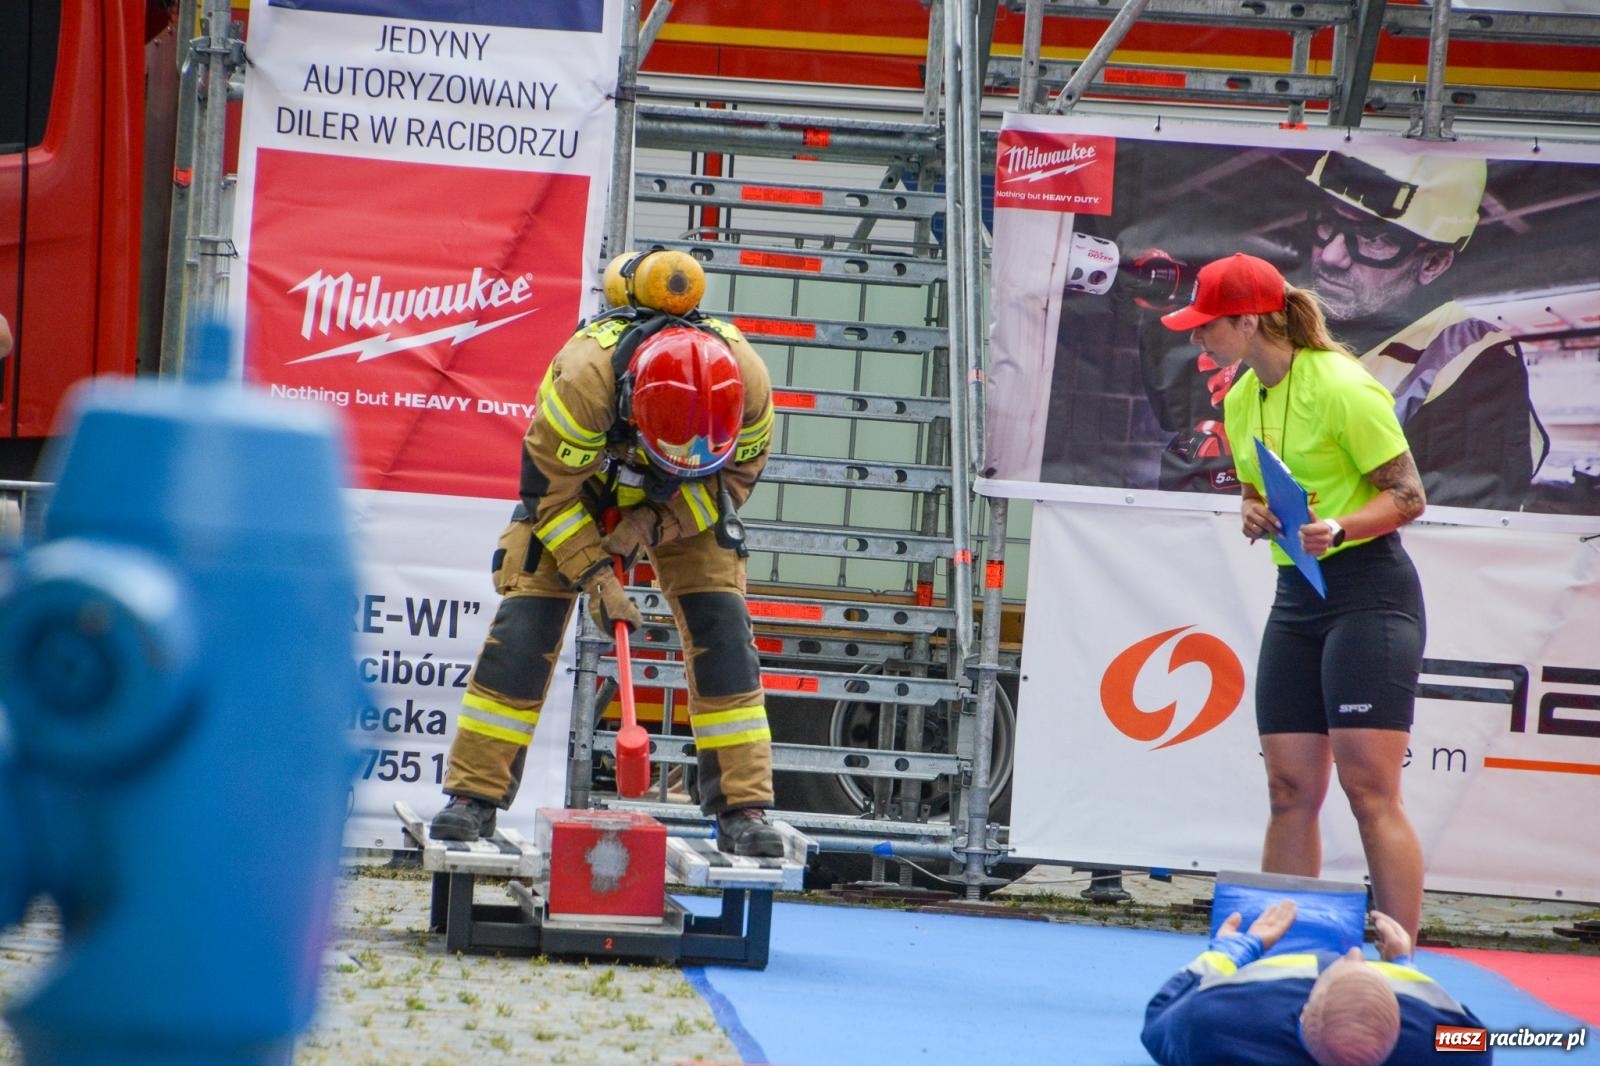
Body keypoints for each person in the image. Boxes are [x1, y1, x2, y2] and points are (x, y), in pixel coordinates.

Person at [428, 273, 784, 858]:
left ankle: (743, 808)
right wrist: (595, 575)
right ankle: (473, 798)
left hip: (686, 495)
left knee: (723, 626)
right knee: (525, 625)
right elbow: (548, 495)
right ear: (631, 404)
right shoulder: (584, 382)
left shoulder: (749, 386)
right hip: (581, 486)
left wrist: (650, 524)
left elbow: (733, 481)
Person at [1161, 253, 1429, 944]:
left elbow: (1408, 496)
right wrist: (1253, 511)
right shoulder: (1241, 394)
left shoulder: (1342, 385)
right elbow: (1260, 487)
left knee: (1371, 792)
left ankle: (1401, 966)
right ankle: (1278, 953)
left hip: (1370, 594)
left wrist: (1339, 527)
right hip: (1298, 596)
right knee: (1289, 790)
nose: (1196, 338)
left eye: (1206, 326)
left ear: (1248, 321)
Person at [1306, 148, 1548, 510]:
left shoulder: (1473, 359)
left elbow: (1468, 500)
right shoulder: (1290, 323)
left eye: (1373, 239)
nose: (1330, 256)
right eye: (1327, 223)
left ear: (1433, 263)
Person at [1142, 899, 1493, 1065]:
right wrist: (1403, 968)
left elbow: (1158, 1014)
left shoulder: (1216, 1021)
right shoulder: (1451, 1046)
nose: (1352, 955)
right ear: (1400, 1020)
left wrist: (1233, 949)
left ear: (1305, 1007)